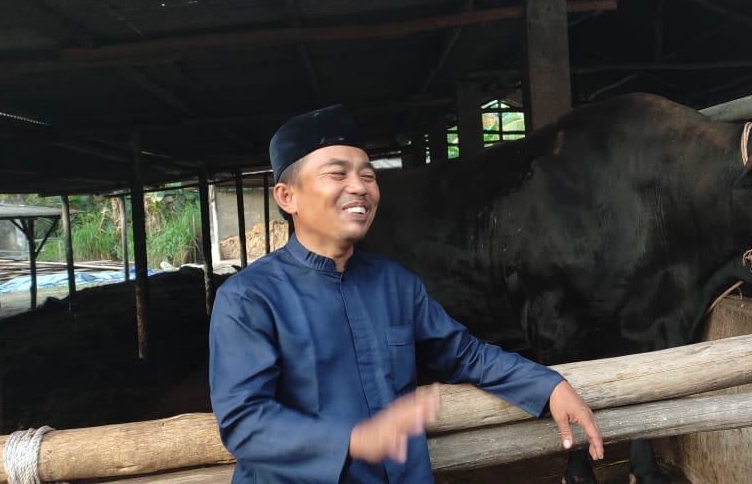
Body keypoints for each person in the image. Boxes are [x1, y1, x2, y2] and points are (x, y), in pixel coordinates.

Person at [209, 105, 604, 483]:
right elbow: (245, 420)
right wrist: (353, 441)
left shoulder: (396, 283)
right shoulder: (248, 298)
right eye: (337, 173)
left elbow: (463, 353)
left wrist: (549, 386)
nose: (359, 188)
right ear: (286, 197)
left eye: (368, 175)